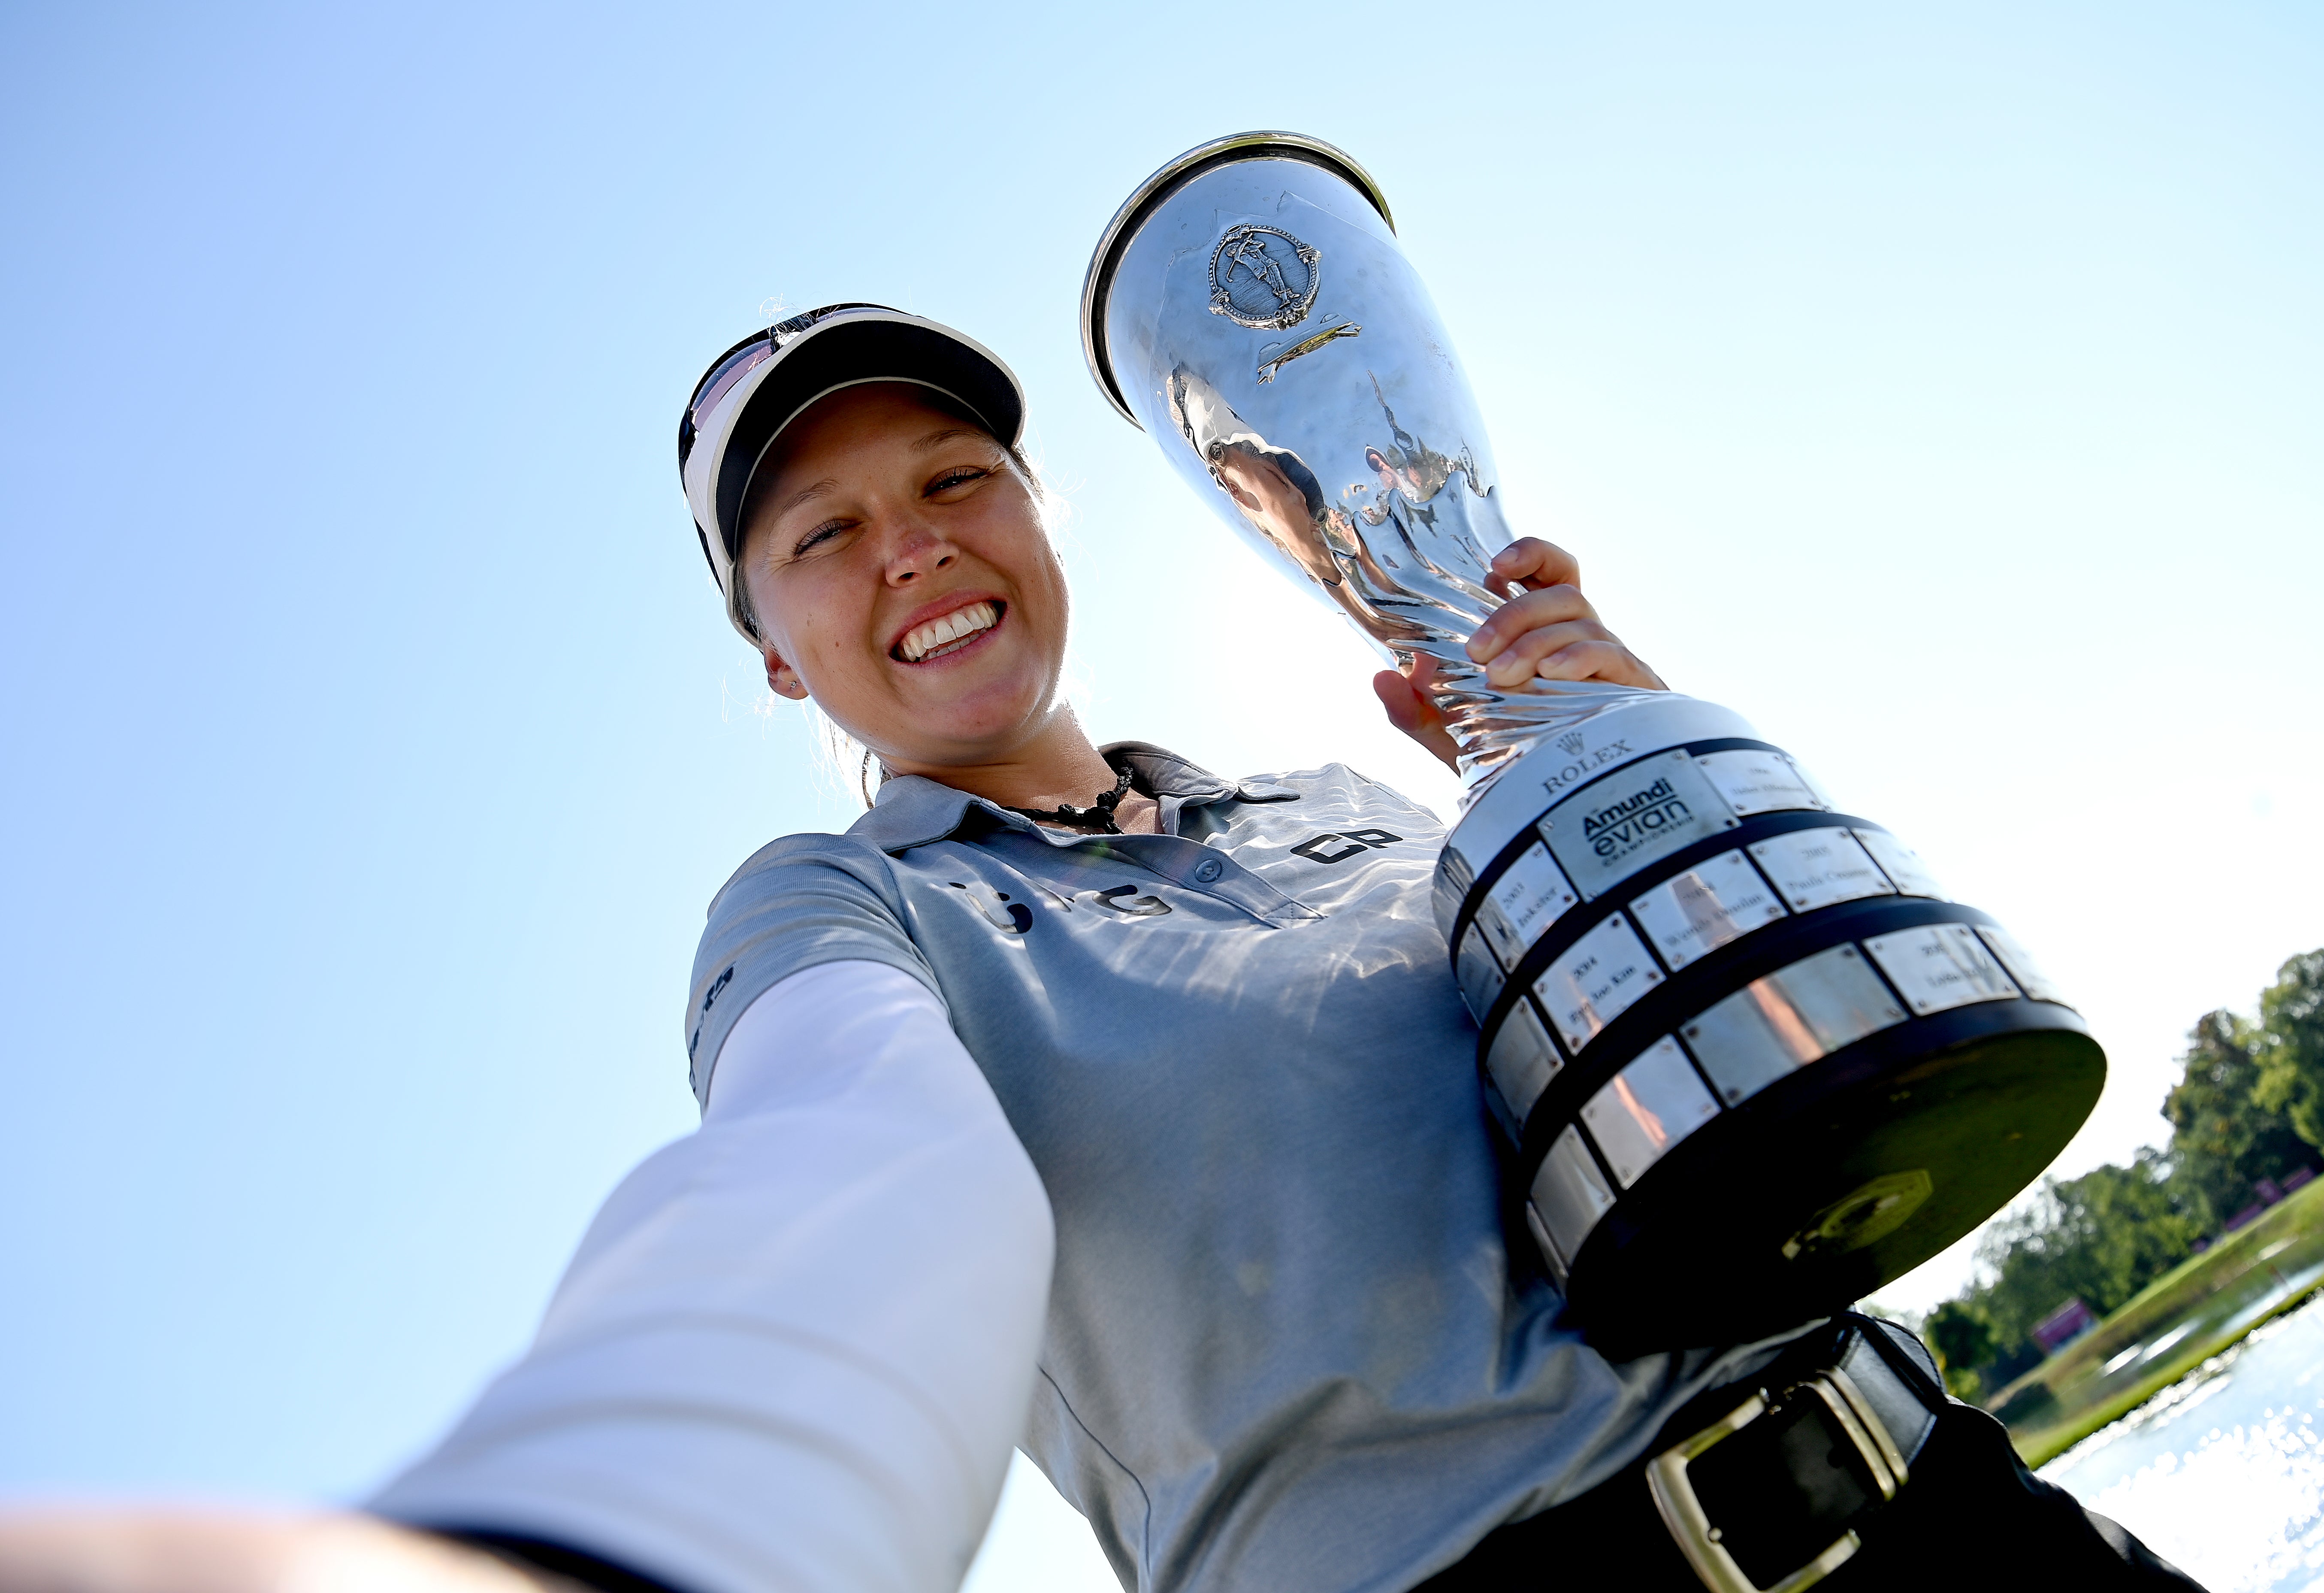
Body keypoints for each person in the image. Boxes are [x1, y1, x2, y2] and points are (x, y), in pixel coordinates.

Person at [0, 303, 2203, 1593]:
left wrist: (1631, 748)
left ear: (1045, 515)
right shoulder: (844, 914)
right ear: (773, 650)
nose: (916, 550)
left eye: (957, 478)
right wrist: (603, 1524)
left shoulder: (1353, 800)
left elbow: (1741, 1098)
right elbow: (843, 1178)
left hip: (1952, 1508)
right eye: (822, 533)